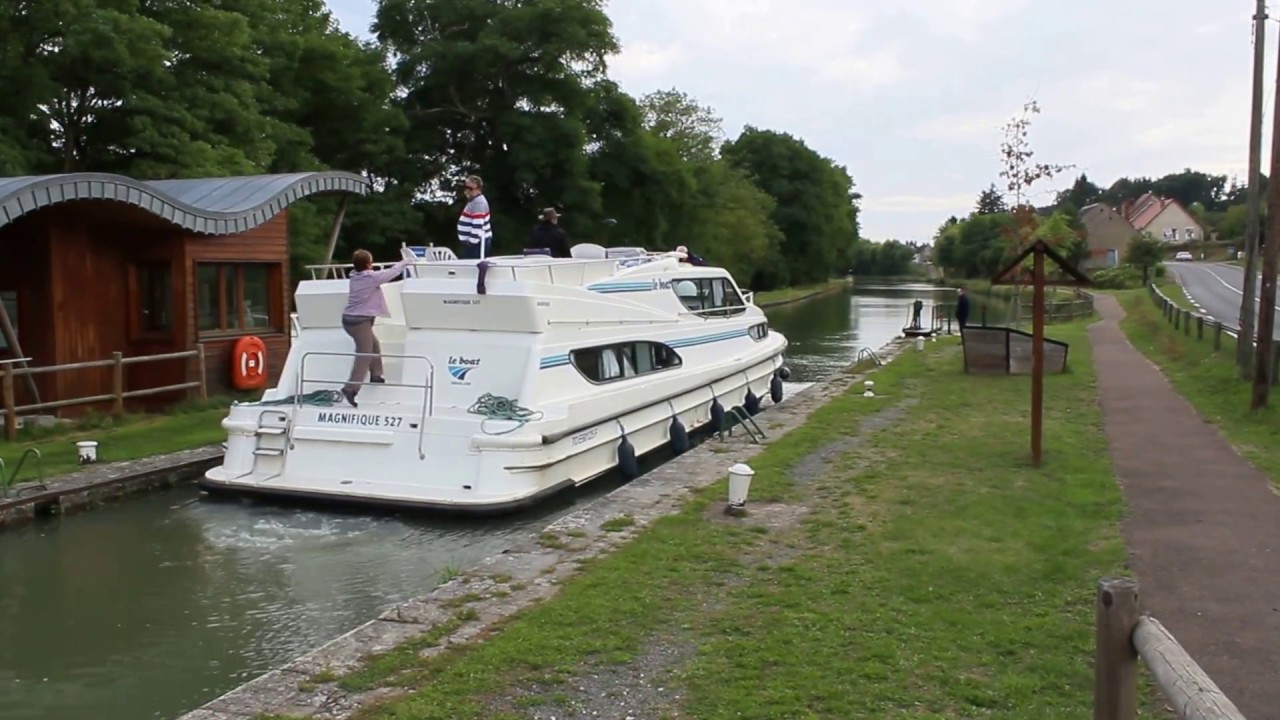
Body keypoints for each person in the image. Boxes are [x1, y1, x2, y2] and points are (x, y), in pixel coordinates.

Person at [340, 248, 414, 407]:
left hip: (349, 320)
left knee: (374, 344)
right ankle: (351, 388)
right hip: (360, 322)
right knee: (364, 353)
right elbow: (391, 273)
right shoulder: (370, 278)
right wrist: (406, 261)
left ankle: (376, 374)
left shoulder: (355, 277)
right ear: (369, 264)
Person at [457, 175, 493, 259]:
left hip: (477, 243)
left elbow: (478, 225)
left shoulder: (478, 203)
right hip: (475, 242)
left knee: (471, 268)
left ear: (476, 188)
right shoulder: (474, 201)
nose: (466, 191)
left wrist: (471, 242)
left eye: (468, 188)